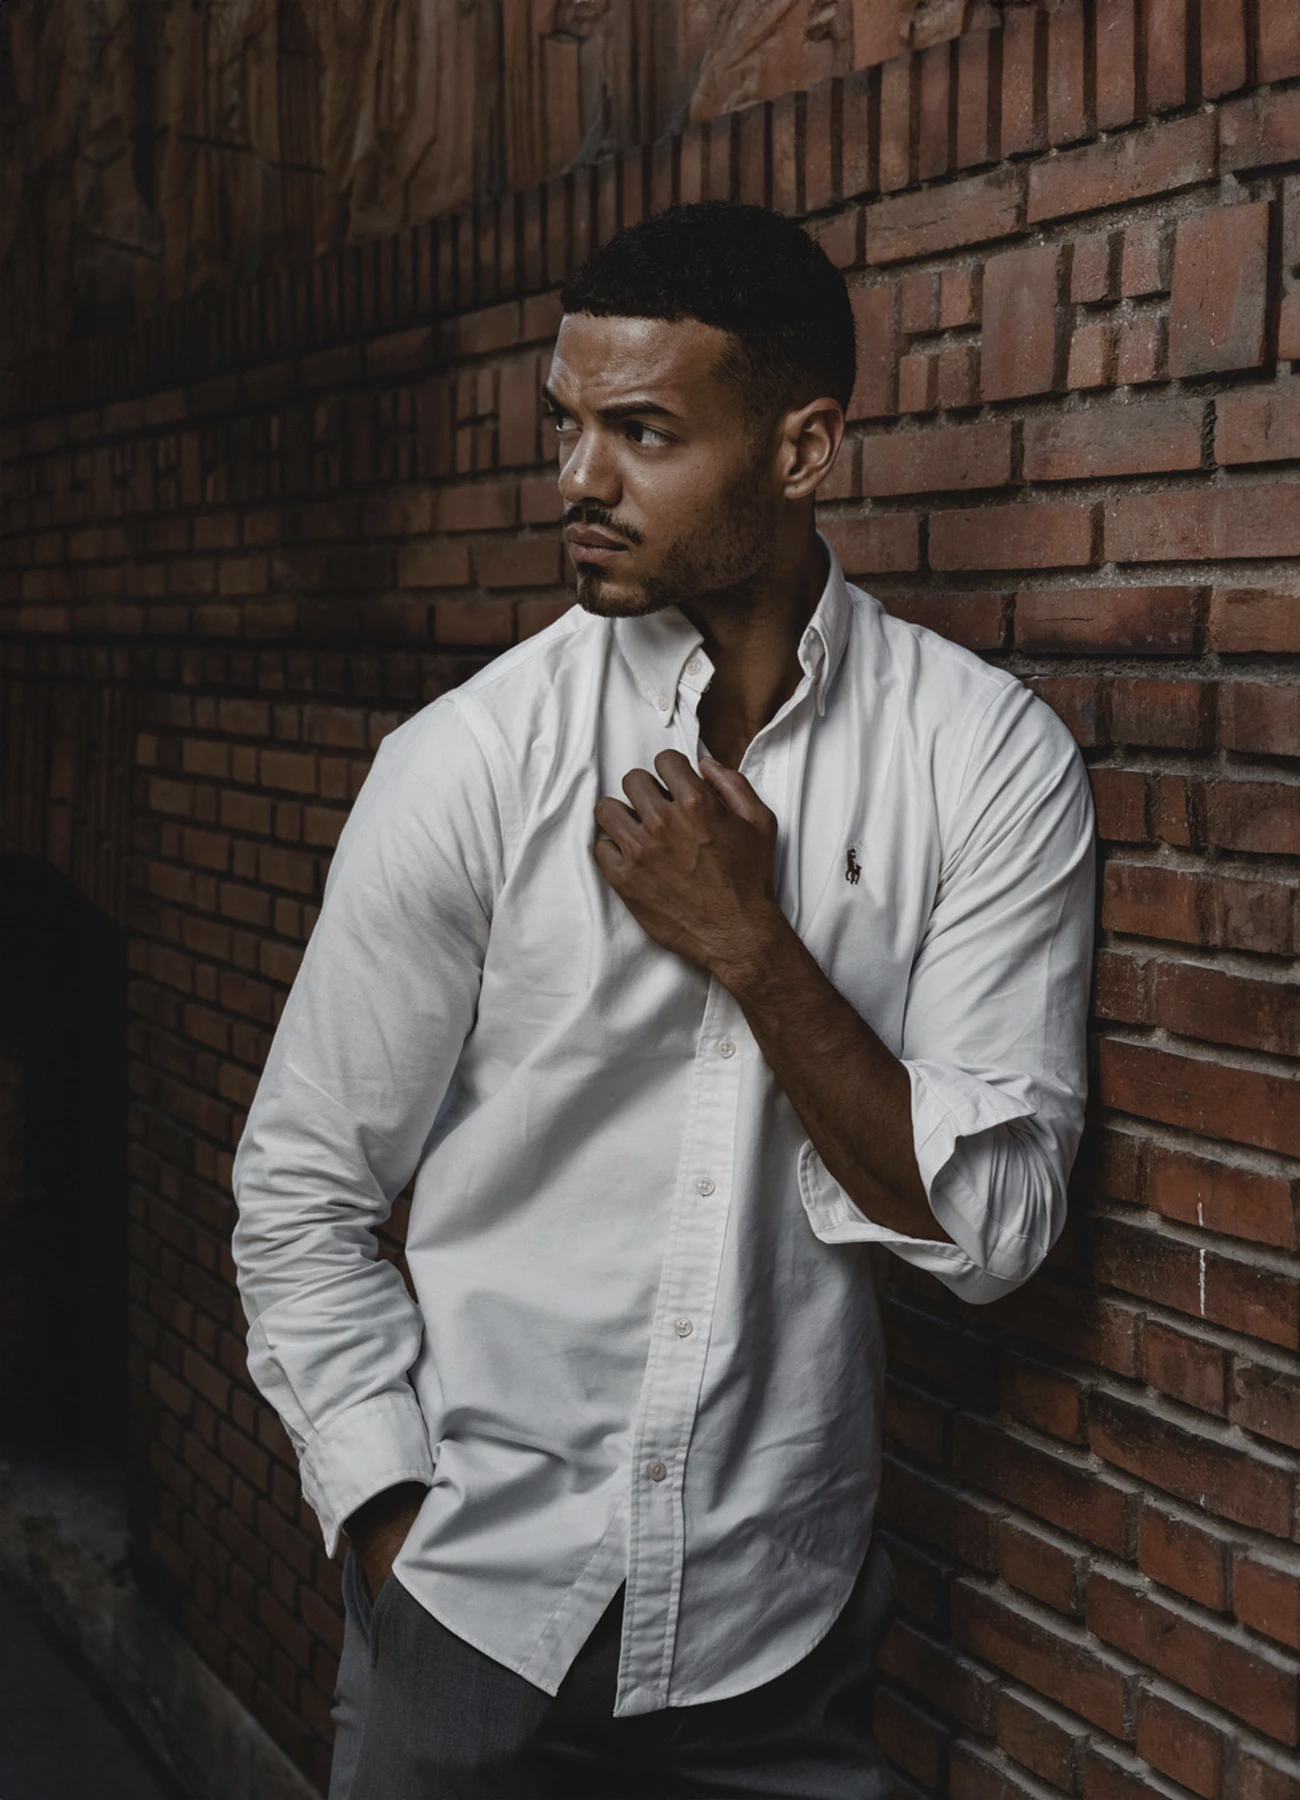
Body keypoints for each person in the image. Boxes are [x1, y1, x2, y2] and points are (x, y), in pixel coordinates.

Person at [231, 201, 1095, 1798]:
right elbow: (301, 1190)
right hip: (471, 1622)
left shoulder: (981, 762)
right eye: (568, 425)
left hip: (782, 1642)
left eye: (640, 432)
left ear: (804, 445)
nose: (578, 480)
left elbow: (997, 1233)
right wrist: (384, 1523)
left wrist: (757, 951)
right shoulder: (473, 763)